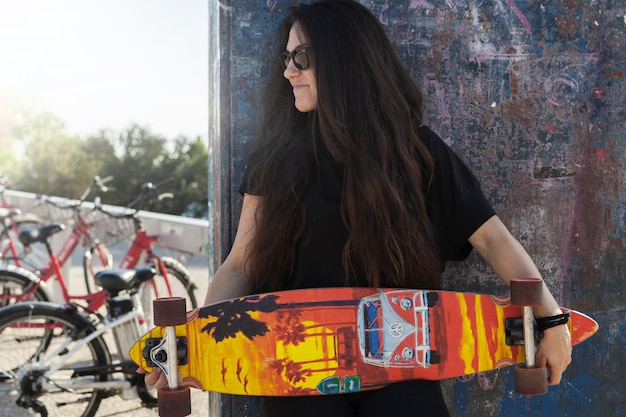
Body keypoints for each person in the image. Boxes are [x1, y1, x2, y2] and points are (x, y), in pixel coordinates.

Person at [142, 0, 572, 415]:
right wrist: (197, 346)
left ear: (343, 60)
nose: (288, 70)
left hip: (404, 366)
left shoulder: (417, 154)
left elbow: (492, 238)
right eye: (286, 58)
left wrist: (550, 319)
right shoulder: (274, 163)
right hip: (297, 369)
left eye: (302, 57)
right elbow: (241, 265)